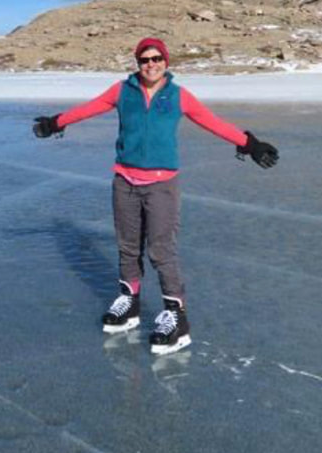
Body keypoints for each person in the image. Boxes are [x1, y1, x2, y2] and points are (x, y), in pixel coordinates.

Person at [32, 37, 278, 355]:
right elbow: (88, 109)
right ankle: (129, 304)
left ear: (166, 61)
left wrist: (250, 144)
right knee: (127, 246)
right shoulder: (122, 91)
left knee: (161, 251)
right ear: (138, 64)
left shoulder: (178, 96)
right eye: (144, 60)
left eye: (156, 58)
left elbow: (212, 122)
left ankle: (176, 318)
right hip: (125, 182)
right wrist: (55, 123)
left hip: (162, 185)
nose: (151, 64)